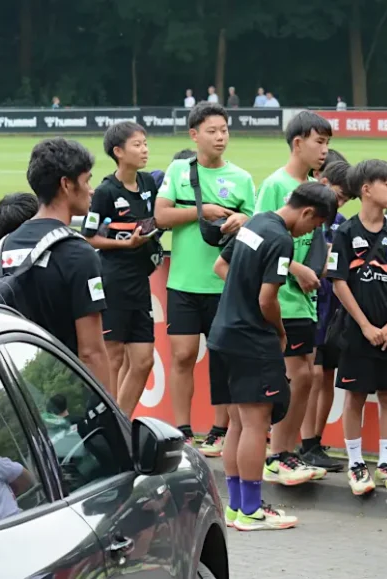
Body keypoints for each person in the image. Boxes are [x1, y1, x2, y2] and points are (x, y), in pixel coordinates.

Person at [209, 181, 337, 531]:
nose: (311, 232)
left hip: (222, 335)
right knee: (255, 425)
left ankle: (236, 507)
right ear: (308, 212)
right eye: (315, 225)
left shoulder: (255, 222)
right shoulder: (281, 239)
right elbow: (268, 299)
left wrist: (239, 300)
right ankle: (251, 510)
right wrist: (279, 331)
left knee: (236, 423)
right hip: (251, 341)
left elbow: (221, 267)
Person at [154, 102, 255, 447]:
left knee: (223, 357)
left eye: (224, 130)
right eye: (212, 131)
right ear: (194, 135)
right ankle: (182, 429)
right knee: (182, 355)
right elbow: (161, 216)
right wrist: (202, 211)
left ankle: (220, 429)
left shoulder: (241, 178)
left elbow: (257, 229)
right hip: (182, 282)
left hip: (224, 283)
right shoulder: (179, 170)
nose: (220, 137)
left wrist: (242, 221)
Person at [327, 159, 387, 495]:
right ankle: (355, 464)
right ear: (366, 189)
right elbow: (338, 282)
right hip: (357, 332)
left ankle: (385, 463)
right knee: (355, 395)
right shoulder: (346, 232)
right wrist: (365, 325)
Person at [256, 111, 335, 481]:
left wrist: (314, 268)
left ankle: (288, 451)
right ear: (298, 143)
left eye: (328, 143)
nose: (325, 150)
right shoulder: (275, 186)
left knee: (307, 377)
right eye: (320, 142)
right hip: (281, 300)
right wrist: (294, 268)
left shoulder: (315, 187)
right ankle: (277, 456)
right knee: (293, 376)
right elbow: (258, 241)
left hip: (306, 301)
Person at [4, 137, 111, 388]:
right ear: (66, 184)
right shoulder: (79, 253)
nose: (91, 189)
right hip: (63, 397)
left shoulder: (6, 244)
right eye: (86, 181)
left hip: (17, 394)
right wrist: (112, 419)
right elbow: (91, 353)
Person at [82, 121, 163, 415]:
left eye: (145, 144)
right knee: (113, 358)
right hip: (113, 281)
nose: (144, 150)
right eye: (137, 145)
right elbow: (89, 237)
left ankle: (122, 421)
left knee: (143, 360)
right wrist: (125, 245)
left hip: (140, 282)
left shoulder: (149, 183)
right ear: (118, 152)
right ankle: (109, 427)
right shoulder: (105, 191)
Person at [300, 155, 351, 470]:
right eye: (338, 194)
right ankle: (301, 442)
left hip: (333, 307)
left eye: (345, 198)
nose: (339, 202)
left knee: (325, 375)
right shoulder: (305, 218)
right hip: (308, 304)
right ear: (322, 182)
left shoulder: (341, 224)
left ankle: (314, 442)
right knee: (311, 375)